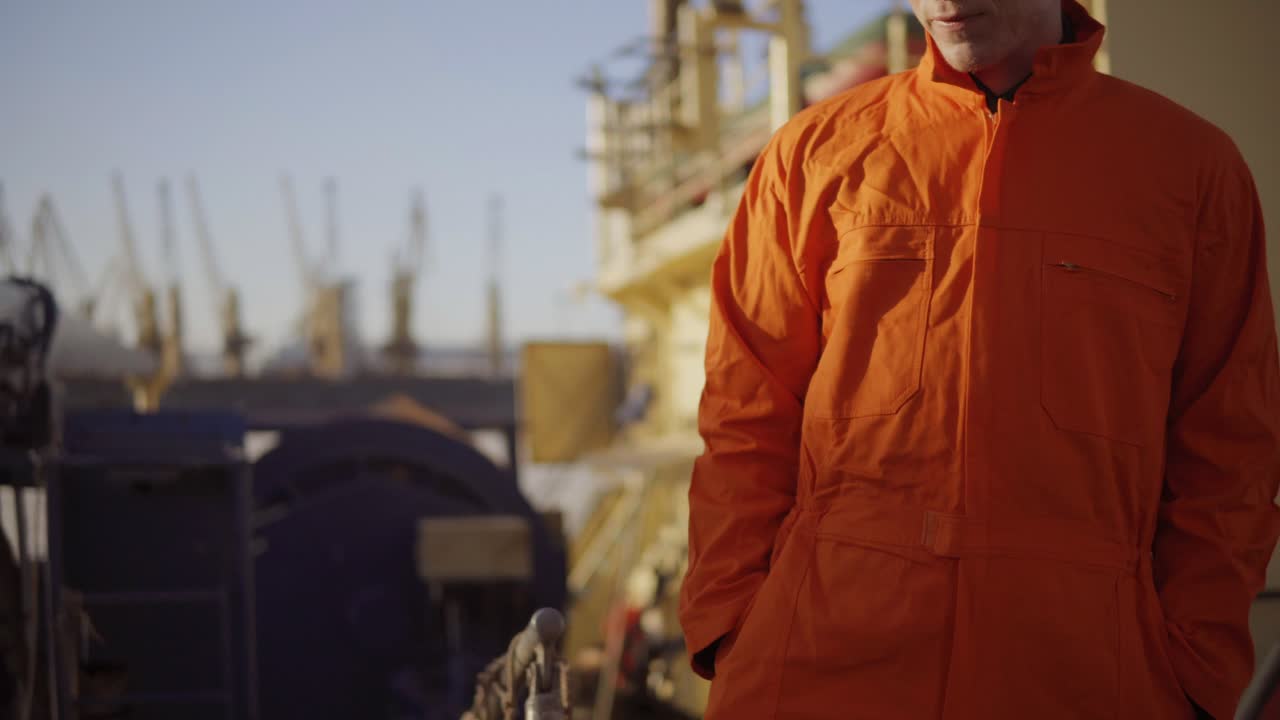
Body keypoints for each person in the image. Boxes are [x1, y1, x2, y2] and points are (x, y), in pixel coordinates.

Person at [677, 1, 1280, 718]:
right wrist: (731, 630)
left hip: (1089, 679)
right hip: (812, 670)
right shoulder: (812, 155)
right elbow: (745, 414)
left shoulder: (1191, 170)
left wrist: (1194, 673)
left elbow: (1229, 447)